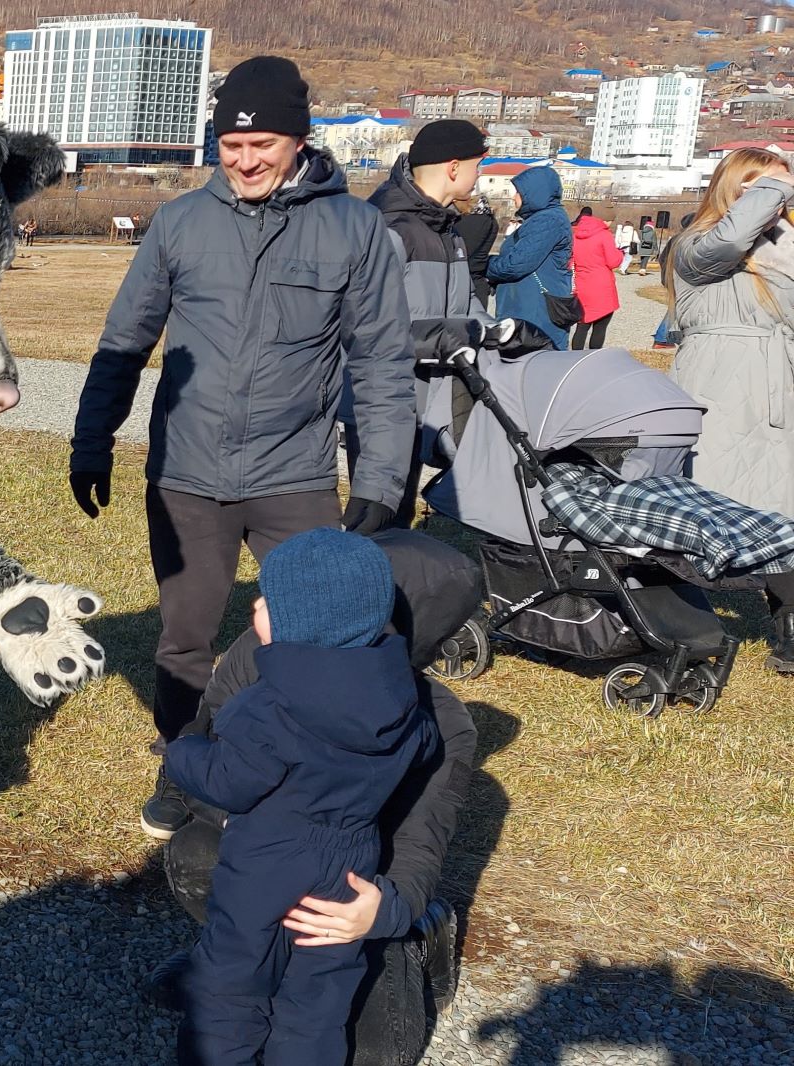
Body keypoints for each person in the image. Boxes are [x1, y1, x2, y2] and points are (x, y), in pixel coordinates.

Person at [69, 55, 415, 839]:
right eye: (230, 144)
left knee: (321, 633)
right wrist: (93, 441)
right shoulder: (182, 223)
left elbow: (383, 366)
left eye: (263, 144)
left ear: (299, 139)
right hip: (186, 475)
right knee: (186, 634)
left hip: (292, 475)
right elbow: (125, 341)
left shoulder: (357, 231)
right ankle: (183, 767)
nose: (246, 160)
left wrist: (381, 478)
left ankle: (312, 777)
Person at [152, 528, 476, 1066]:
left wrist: (386, 911)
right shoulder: (261, 656)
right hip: (315, 858)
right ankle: (242, 968)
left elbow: (421, 841)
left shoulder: (443, 720)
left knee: (374, 1051)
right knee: (304, 1005)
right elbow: (214, 751)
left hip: (349, 890)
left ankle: (419, 939)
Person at [662, 146, 794, 672]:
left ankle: (788, 624)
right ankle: (674, 615)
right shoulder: (694, 243)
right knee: (702, 503)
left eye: (780, 188)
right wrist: (777, 185)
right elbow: (728, 241)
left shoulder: (780, 249)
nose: (774, 199)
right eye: (759, 187)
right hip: (715, 388)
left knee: (782, 509)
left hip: (776, 387)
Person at [359, 118, 493, 524]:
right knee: (378, 516)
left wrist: (497, 332)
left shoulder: (447, 231)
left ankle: (395, 579)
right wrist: (446, 336)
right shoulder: (390, 228)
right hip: (382, 401)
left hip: (427, 396)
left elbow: (466, 306)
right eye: (477, 166)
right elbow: (366, 327)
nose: (478, 176)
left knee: (398, 514)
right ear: (454, 167)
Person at [484, 166, 573, 350]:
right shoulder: (541, 219)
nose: (513, 197)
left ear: (533, 193)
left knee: (534, 364)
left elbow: (516, 264)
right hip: (529, 306)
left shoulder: (547, 221)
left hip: (534, 312)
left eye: (517, 193)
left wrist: (484, 265)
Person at [569, 206, 624, 349]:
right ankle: (593, 358)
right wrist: (620, 254)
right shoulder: (604, 235)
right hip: (601, 285)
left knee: (582, 326)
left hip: (582, 284)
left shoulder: (576, 233)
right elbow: (613, 262)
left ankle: (574, 359)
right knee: (600, 327)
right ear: (606, 220)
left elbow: (570, 261)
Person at [454, 197, 498, 310]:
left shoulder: (466, 222)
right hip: (479, 280)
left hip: (462, 279)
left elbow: (463, 251)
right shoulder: (491, 221)